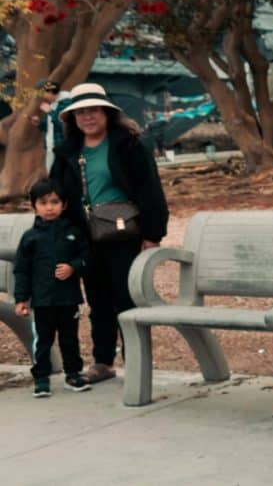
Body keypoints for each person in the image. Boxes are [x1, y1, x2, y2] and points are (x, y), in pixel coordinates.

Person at [49, 83, 169, 384]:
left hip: (124, 234)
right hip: (86, 237)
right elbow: (57, 195)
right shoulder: (66, 153)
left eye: (93, 110)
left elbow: (150, 190)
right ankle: (102, 362)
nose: (87, 117)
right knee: (98, 302)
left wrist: (153, 235)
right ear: (72, 118)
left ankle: (138, 363)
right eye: (80, 112)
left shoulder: (128, 145)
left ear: (106, 113)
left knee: (127, 300)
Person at [14, 178, 92, 397]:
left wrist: (73, 267)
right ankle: (41, 379)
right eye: (43, 202)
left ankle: (73, 375)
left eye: (55, 202)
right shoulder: (30, 238)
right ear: (34, 206)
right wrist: (21, 299)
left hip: (68, 299)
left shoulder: (74, 233)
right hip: (42, 301)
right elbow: (22, 270)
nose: (49, 207)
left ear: (64, 205)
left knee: (70, 339)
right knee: (43, 341)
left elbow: (87, 258)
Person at [31, 79, 71, 171]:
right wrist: (39, 124)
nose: (41, 97)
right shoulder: (52, 104)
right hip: (51, 147)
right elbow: (51, 127)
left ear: (50, 91)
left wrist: (50, 112)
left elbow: (64, 126)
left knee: (61, 176)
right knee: (51, 176)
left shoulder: (66, 102)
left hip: (62, 148)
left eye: (42, 93)